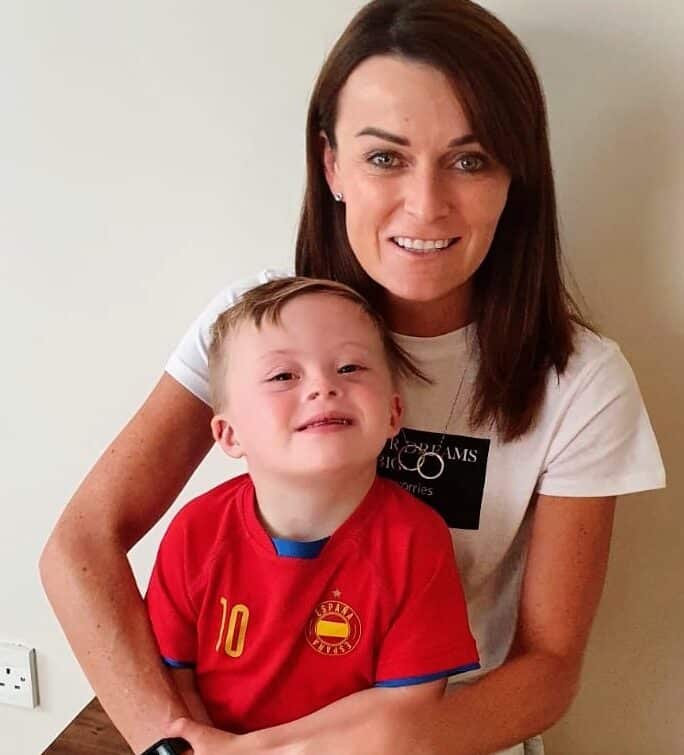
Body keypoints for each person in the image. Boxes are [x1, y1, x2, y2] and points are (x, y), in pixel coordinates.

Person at [40, 1, 666, 754]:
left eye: (470, 160)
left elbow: (549, 669)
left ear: (515, 176)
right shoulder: (251, 328)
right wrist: (175, 744)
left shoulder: (580, 381)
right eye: (385, 158)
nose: (426, 205)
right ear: (331, 164)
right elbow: (80, 545)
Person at [144, 277, 479, 737]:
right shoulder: (195, 532)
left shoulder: (416, 541)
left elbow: (407, 705)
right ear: (229, 434)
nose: (324, 386)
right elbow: (173, 677)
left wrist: (253, 752)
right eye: (283, 376)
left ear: (393, 413)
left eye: (350, 367)